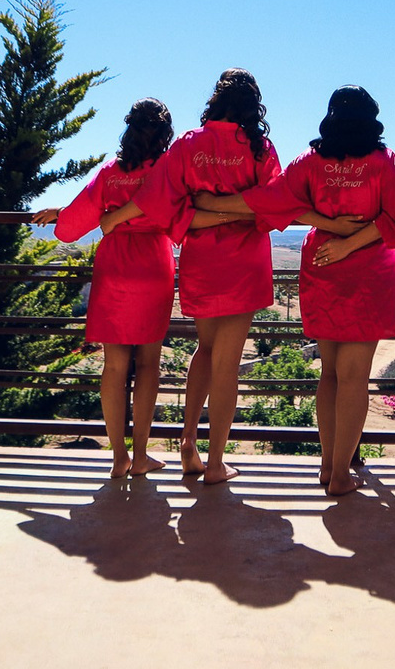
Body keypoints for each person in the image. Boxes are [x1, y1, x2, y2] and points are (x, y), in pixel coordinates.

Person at [204, 86, 395, 496]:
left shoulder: (310, 161)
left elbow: (271, 200)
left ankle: (328, 467)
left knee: (329, 374)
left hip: (322, 267)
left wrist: (210, 204)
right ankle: (342, 473)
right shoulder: (382, 162)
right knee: (354, 378)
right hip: (368, 274)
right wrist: (353, 241)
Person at [32, 99, 234, 478]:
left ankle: (118, 458)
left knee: (113, 365)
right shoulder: (168, 169)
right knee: (148, 363)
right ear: (165, 133)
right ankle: (141, 455)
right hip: (152, 263)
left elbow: (72, 227)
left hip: (114, 264)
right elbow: (181, 210)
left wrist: (65, 213)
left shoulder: (110, 171)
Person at [109, 69, 281, 484]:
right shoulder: (260, 148)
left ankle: (188, 440)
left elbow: (162, 201)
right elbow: (274, 203)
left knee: (205, 349)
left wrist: (209, 208)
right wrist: (239, 209)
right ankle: (216, 462)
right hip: (244, 263)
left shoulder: (188, 144)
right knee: (228, 364)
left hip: (202, 260)